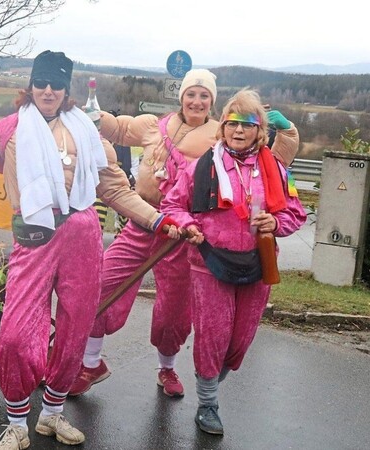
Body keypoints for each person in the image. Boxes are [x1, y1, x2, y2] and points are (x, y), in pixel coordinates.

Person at [0, 50, 178, 450]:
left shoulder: (88, 133)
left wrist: (159, 221)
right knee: (19, 333)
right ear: (31, 86)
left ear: (66, 89)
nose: (48, 90)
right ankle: (18, 422)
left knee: (75, 328)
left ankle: (53, 415)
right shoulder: (8, 130)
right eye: (41, 82)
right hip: (35, 234)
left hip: (83, 235)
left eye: (57, 84)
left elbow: (114, 191)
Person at [70, 69, 299, 399]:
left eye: (204, 95)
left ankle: (167, 367)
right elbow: (118, 127)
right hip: (142, 222)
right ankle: (91, 363)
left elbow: (270, 162)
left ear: (212, 102)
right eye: (191, 93)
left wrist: (287, 130)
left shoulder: (219, 139)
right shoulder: (154, 125)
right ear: (181, 97)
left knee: (173, 312)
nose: (197, 100)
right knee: (100, 285)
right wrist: (84, 113)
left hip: (180, 236)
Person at [161, 88, 306, 435]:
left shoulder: (276, 169)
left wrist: (276, 222)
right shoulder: (203, 166)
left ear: (260, 131)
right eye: (232, 123)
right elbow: (172, 205)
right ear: (222, 127)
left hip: (258, 263)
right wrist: (188, 225)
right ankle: (208, 404)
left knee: (239, 343)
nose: (238, 131)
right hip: (209, 262)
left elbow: (296, 213)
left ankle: (209, 380)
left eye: (248, 124)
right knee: (212, 336)